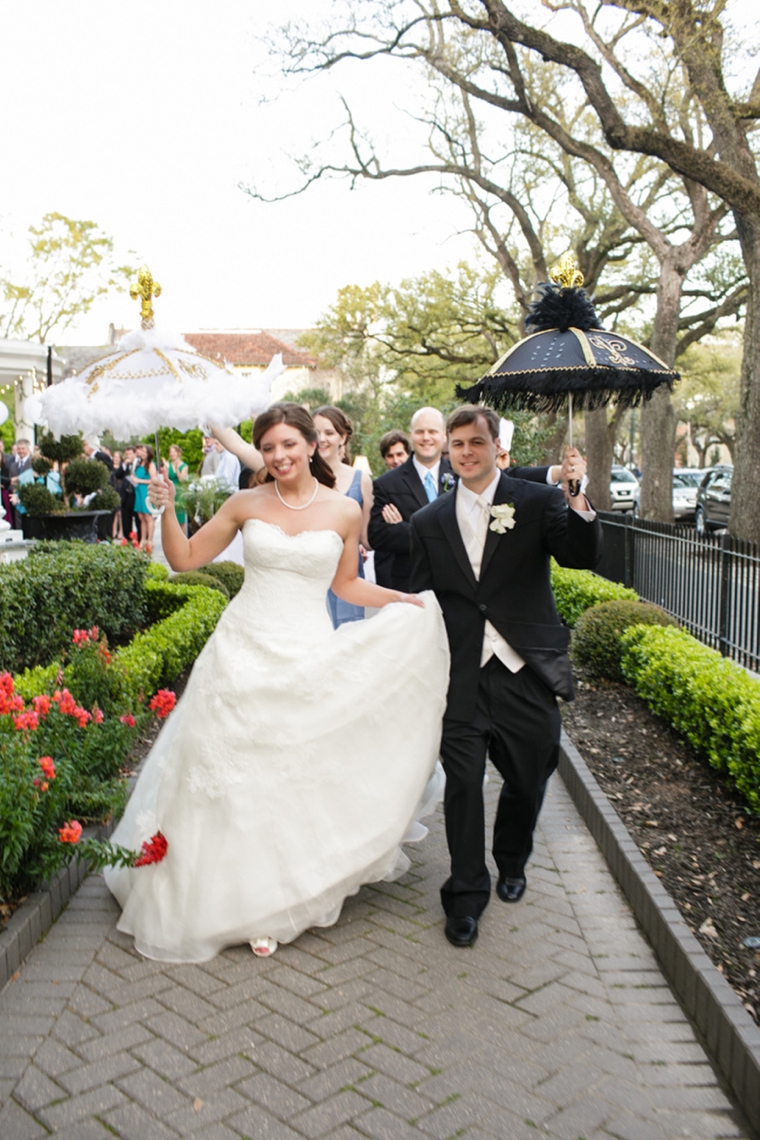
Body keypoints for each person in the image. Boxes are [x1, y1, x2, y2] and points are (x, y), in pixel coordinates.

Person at [103, 403, 448, 962]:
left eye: (288, 444)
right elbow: (186, 558)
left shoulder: (343, 511)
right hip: (241, 650)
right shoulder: (244, 503)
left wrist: (401, 600)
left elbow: (348, 586)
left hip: (306, 652)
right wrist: (163, 510)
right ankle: (219, 896)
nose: (278, 456)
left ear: (312, 445)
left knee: (290, 772)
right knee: (227, 773)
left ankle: (275, 899)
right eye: (268, 448)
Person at [410, 406, 602, 948]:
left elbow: (581, 556)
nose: (466, 452)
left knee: (528, 775)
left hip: (525, 672)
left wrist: (576, 494)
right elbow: (424, 602)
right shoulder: (429, 522)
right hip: (462, 676)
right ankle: (466, 895)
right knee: (464, 785)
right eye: (457, 444)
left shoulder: (538, 501)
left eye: (476, 442)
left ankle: (512, 858)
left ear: (498, 447)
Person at [313, 405, 373, 627]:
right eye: (316, 432)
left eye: (329, 433)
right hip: (311, 577)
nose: (322, 439)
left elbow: (366, 537)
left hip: (348, 576)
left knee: (348, 644)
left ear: (343, 437)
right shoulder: (300, 477)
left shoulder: (361, 480)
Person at [131, 444, 157, 551]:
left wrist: (139, 481)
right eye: (142, 451)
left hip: (146, 491)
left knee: (148, 516)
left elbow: (153, 479)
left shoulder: (150, 464)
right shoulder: (138, 463)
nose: (143, 453)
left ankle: (150, 540)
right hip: (138, 492)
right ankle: (143, 539)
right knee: (141, 517)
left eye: (145, 452)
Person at [161, 443, 189, 533]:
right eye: (170, 452)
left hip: (180, 493)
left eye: (174, 452)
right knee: (171, 518)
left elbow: (182, 480)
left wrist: (177, 470)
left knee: (181, 520)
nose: (172, 454)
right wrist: (165, 468)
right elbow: (166, 478)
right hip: (170, 492)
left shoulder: (184, 466)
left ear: (178, 453)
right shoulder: (168, 465)